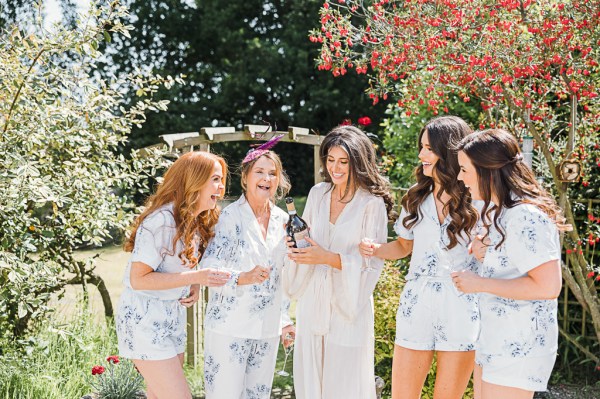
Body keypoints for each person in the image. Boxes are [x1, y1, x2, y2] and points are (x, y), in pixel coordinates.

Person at [359, 116, 480, 399]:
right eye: (421, 147)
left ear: (448, 152)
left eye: (428, 148)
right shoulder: (416, 197)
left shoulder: (477, 199)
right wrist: (375, 249)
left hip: (461, 306)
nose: (421, 155)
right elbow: (403, 247)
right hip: (417, 303)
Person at [453, 128, 568, 399]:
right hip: (495, 338)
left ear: (487, 170)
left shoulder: (525, 215)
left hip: (519, 344)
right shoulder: (499, 212)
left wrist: (479, 283)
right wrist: (484, 253)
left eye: (464, 170)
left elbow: (549, 285)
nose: (460, 177)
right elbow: (513, 264)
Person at [283, 125, 396, 399]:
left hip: (349, 306)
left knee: (344, 385)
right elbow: (307, 239)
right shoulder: (317, 194)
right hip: (312, 304)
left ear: (358, 161)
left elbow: (371, 263)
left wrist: (329, 258)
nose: (336, 168)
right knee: (311, 380)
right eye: (331, 160)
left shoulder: (372, 204)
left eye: (344, 162)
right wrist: (296, 247)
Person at [116, 151, 232, 399]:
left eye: (221, 180)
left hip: (171, 318)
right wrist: (195, 278)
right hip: (145, 321)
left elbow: (180, 270)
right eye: (215, 179)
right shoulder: (162, 221)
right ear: (194, 180)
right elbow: (139, 279)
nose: (221, 188)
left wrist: (194, 284)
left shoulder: (192, 221)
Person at [200, 136, 295, 399]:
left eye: (272, 173)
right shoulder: (228, 218)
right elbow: (208, 267)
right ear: (245, 177)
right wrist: (242, 277)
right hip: (229, 327)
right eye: (260, 172)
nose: (266, 178)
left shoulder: (283, 220)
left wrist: (285, 322)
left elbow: (282, 276)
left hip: (266, 329)